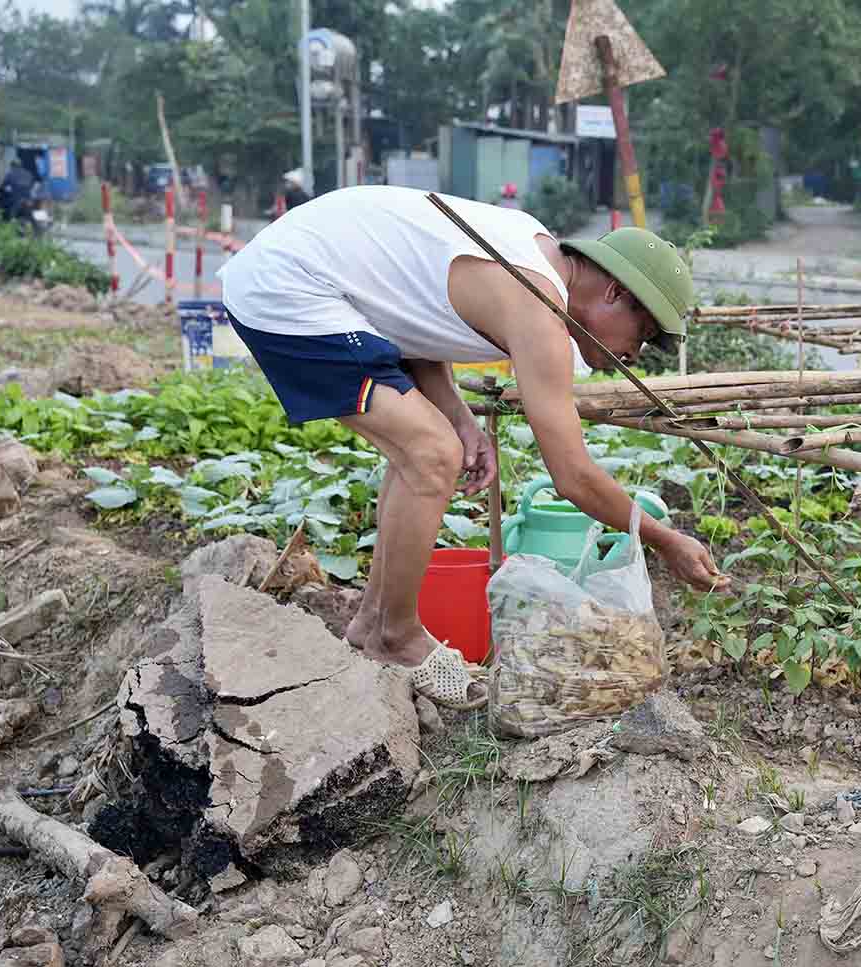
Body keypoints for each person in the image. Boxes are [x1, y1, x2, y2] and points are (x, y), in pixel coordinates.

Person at [216, 185, 728, 709]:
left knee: (429, 445)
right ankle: (398, 637)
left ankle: (372, 625)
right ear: (615, 293)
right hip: (290, 288)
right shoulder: (538, 307)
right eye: (640, 334)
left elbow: (414, 315)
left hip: (315, 280)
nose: (634, 354)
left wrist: (459, 416)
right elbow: (572, 475)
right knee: (431, 453)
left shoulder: (531, 249)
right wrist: (664, 539)